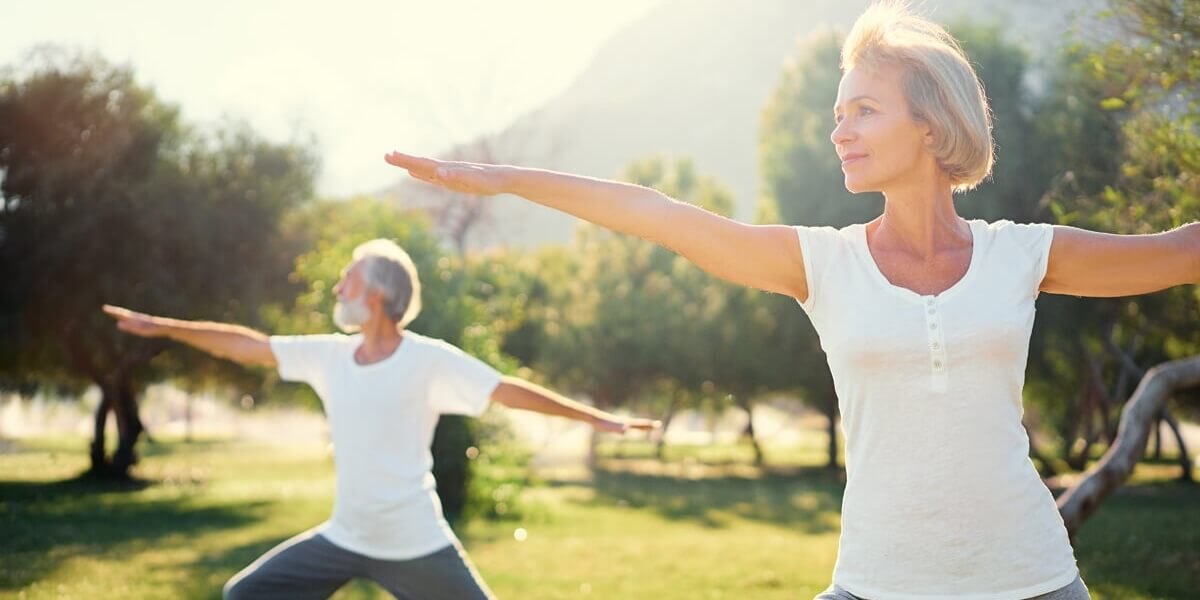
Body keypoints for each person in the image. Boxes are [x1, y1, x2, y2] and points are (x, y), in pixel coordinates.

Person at [381, 1, 1199, 597]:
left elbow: (1179, 252)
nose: (839, 130)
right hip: (876, 581)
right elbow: (656, 214)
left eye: (864, 111)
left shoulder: (1021, 255)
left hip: (1030, 579)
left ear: (930, 124)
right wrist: (499, 179)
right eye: (836, 113)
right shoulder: (821, 264)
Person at [103, 238, 658, 600]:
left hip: (415, 541)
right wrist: (165, 327)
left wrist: (598, 420)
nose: (338, 289)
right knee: (244, 596)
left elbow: (505, 390)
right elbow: (247, 346)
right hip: (344, 535)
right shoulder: (329, 355)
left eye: (348, 280)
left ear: (377, 296)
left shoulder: (428, 359)